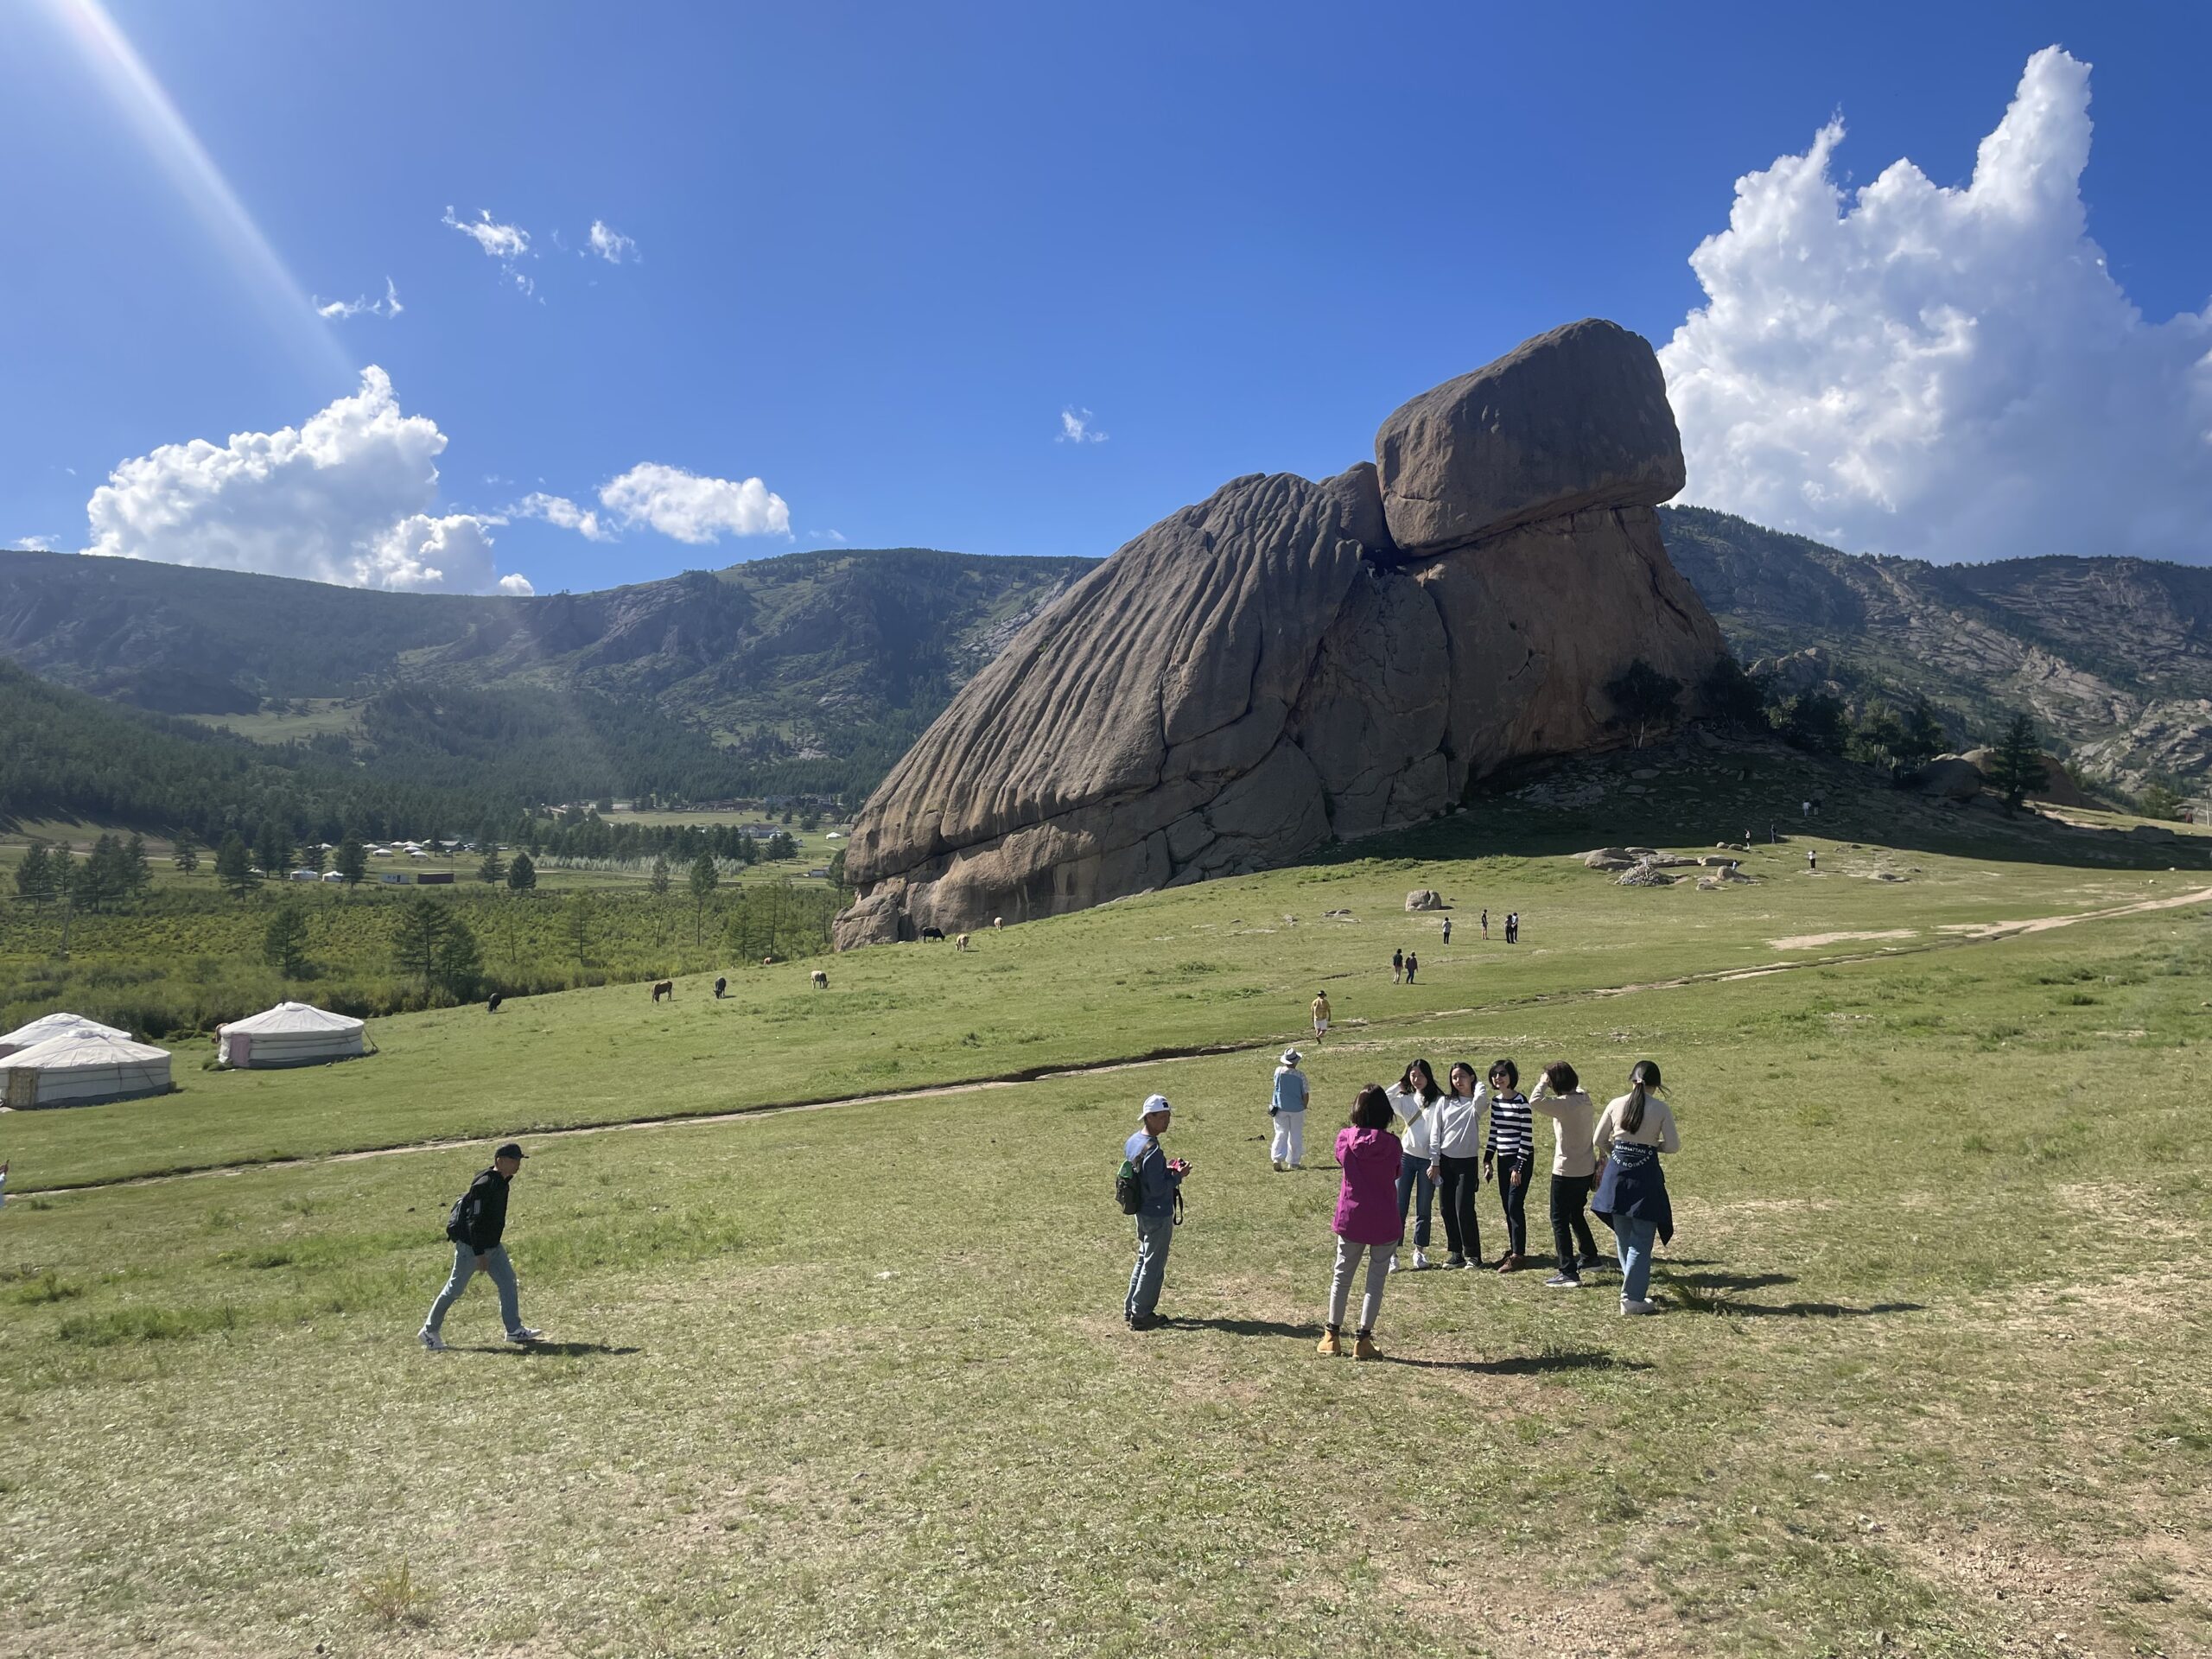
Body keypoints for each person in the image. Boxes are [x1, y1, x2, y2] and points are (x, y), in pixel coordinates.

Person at [421, 1141, 544, 1350]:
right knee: (454, 1289)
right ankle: (429, 1331)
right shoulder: (484, 1184)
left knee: (508, 1282)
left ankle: (514, 1330)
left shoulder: (502, 1182)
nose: (517, 1165)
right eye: (514, 1160)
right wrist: (479, 1253)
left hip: (493, 1246)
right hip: (472, 1248)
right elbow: (473, 1221)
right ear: (500, 1161)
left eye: (519, 1160)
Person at [1318, 1085, 1402, 1361]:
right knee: (1375, 1279)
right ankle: (1363, 1339)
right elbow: (1396, 1171)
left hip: (1352, 1216)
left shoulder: (1345, 1138)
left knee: (1342, 1275)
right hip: (1384, 1217)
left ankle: (1332, 1336)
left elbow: (1341, 1160)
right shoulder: (1392, 1144)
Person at [1592, 1061, 1681, 1315]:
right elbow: (1673, 1146)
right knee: (1642, 1239)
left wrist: (1617, 1152)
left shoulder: (1615, 1103)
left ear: (1632, 1080)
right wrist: (1653, 1147)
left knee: (1624, 1235)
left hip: (1616, 1176)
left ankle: (1631, 1292)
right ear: (1657, 1084)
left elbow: (1598, 1139)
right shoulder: (1660, 1108)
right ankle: (1632, 1297)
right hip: (1645, 1177)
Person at [1529, 1061, 1604, 1287]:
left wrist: (1542, 1082)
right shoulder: (1584, 1098)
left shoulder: (1563, 1105)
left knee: (1559, 1218)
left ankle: (1568, 1271)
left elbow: (1534, 1101)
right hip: (1585, 1167)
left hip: (1565, 1169)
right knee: (1575, 1213)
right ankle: (1590, 1256)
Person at [1123, 1094, 1190, 1331]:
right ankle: (1142, 1314)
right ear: (1149, 1117)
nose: (1167, 1122)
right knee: (1153, 1264)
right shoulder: (1153, 1150)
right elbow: (1158, 1187)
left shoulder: (1133, 1141)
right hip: (1157, 1212)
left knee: (1143, 1258)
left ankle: (1131, 1307)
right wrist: (1178, 1175)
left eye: (1168, 1117)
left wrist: (1166, 1169)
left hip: (1141, 1211)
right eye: (1162, 1117)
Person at [1427, 1061, 1487, 1268]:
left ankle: (1474, 1255)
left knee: (1464, 1208)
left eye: (1462, 1076)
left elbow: (1483, 1099)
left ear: (1471, 1077)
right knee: (1446, 1208)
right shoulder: (1445, 1102)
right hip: (1445, 1161)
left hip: (1467, 1163)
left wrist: (1478, 1084)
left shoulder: (1475, 1104)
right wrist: (1434, 1161)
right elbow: (1436, 1132)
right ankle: (1456, 1253)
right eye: (1454, 1077)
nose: (1458, 1081)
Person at [1386, 1058, 1444, 1270]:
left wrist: (1436, 1161)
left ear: (1428, 1076)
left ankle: (1419, 1251)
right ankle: (1392, 1253)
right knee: (1398, 1206)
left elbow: (1440, 1131)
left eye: (1420, 1075)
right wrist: (1400, 1085)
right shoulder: (1406, 1099)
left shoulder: (1439, 1100)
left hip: (1429, 1160)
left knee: (1424, 1207)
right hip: (1406, 1158)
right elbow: (1384, 1099)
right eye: (1413, 1075)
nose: (1416, 1079)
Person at [1482, 1059, 1534, 1272]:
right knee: (1506, 1206)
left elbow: (1526, 1137)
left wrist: (1518, 1167)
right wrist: (1487, 1160)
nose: (1498, 1078)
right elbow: (1494, 1133)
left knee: (1514, 1205)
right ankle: (1513, 1249)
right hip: (1502, 1158)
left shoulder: (1522, 1102)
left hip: (1520, 1158)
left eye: (1502, 1073)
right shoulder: (1496, 1102)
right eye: (1494, 1074)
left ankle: (1518, 1256)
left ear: (1511, 1076)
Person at [1269, 1048, 1309, 1171]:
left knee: (1281, 1132)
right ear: (1296, 1061)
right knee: (1295, 1134)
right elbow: (1306, 1094)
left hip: (1280, 1107)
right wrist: (1304, 1105)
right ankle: (1294, 1161)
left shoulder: (1278, 1071)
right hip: (1297, 1109)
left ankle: (1277, 1157)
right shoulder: (1300, 1076)